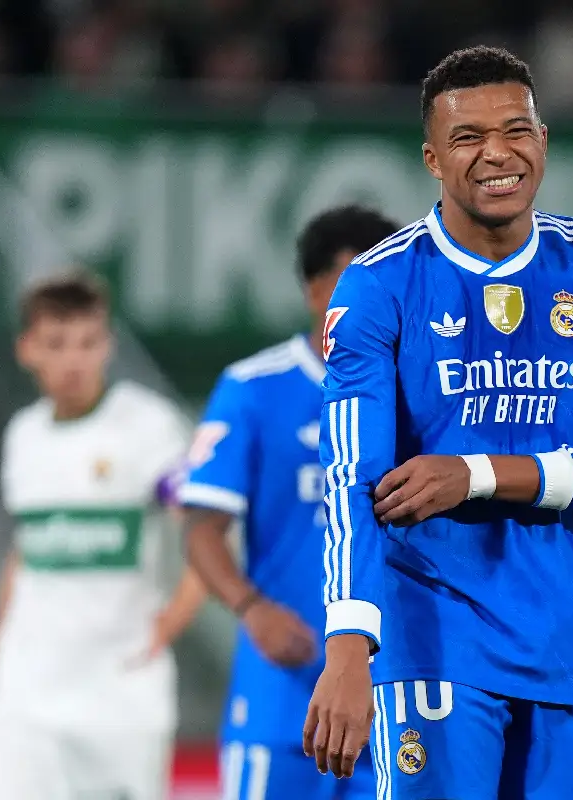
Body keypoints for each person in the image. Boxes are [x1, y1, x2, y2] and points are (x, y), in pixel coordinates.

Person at [304, 46, 573, 799]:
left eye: (516, 130)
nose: (497, 153)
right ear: (433, 159)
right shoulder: (379, 285)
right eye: (468, 138)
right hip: (434, 643)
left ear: (544, 142)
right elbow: (351, 476)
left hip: (569, 655)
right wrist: (349, 646)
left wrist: (471, 473)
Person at [0, 273, 206, 800]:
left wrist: (176, 616)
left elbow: (204, 528)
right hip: (26, 699)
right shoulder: (23, 436)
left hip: (120, 698)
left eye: (87, 342)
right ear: (27, 350)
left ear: (106, 345)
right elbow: (26, 554)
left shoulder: (149, 428)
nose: (74, 360)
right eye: (56, 344)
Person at [181, 205, 399, 799]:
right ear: (313, 291)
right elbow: (201, 529)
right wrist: (253, 609)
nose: (370, 303)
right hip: (283, 692)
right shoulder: (254, 388)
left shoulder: (427, 395)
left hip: (396, 694)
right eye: (352, 283)